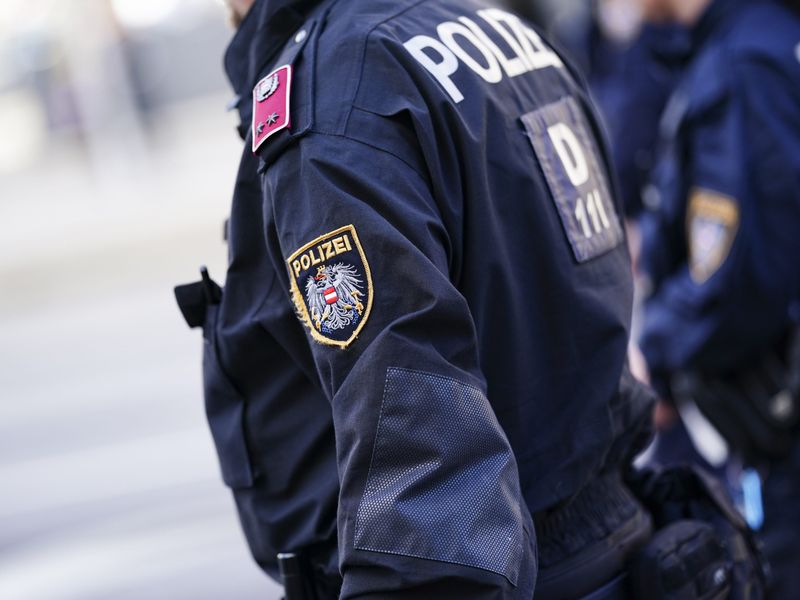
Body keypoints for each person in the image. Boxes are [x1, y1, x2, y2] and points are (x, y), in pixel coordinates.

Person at [174, 0, 760, 597]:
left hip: (519, 568)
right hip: (609, 536)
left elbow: (422, 465)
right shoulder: (489, 27)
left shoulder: (332, 95)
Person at [633, 0, 800, 595]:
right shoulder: (762, 39)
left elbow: (736, 279)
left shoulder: (742, 65)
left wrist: (651, 353)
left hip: (773, 428)